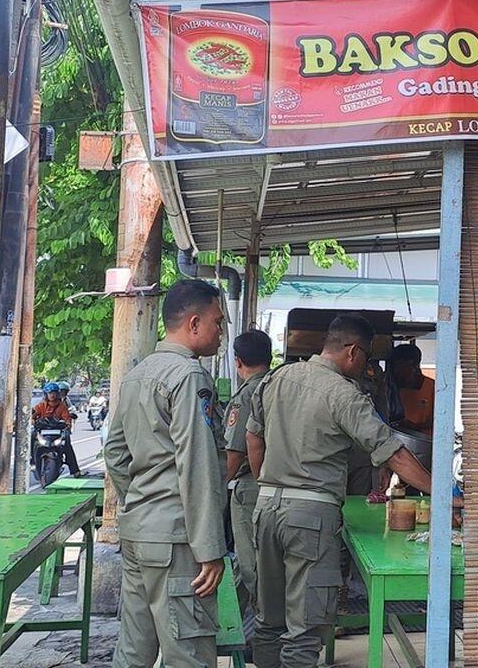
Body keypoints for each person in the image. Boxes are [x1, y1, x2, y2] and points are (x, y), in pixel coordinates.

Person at [245, 314, 442, 668]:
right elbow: (392, 452)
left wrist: (267, 483)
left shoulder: (277, 378)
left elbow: (252, 436)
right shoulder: (344, 394)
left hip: (266, 508)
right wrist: (442, 494)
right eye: (367, 358)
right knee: (304, 630)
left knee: (268, 620)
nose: (368, 367)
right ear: (352, 351)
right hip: (309, 517)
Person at [105, 279, 228, 668]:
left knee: (133, 650)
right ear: (193, 324)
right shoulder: (189, 377)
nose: (222, 332)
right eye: (217, 322)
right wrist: (211, 548)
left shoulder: (139, 374)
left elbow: (114, 453)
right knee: (188, 653)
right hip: (177, 538)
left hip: (139, 530)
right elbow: (198, 464)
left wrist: (141, 502)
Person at [224, 329, 274, 613]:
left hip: (251, 488)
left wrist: (218, 491)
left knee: (250, 563)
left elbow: (235, 452)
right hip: (282, 483)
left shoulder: (245, 396)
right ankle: (235, 622)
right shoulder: (280, 387)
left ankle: (263, 629)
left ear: (238, 360)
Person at [31, 382, 82, 476]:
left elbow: (67, 418)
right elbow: (34, 414)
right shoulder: (41, 405)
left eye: (54, 393)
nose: (52, 395)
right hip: (43, 431)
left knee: (67, 443)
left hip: (57, 431)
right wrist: (33, 419)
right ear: (46, 394)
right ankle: (31, 460)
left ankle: (75, 470)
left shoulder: (62, 406)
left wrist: (68, 424)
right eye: (50, 393)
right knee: (32, 435)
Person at [388, 343, 434, 433]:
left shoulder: (433, 388)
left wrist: (414, 426)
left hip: (424, 442)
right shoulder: (390, 387)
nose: (396, 371)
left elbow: (441, 419)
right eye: (394, 367)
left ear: (412, 364)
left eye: (399, 366)